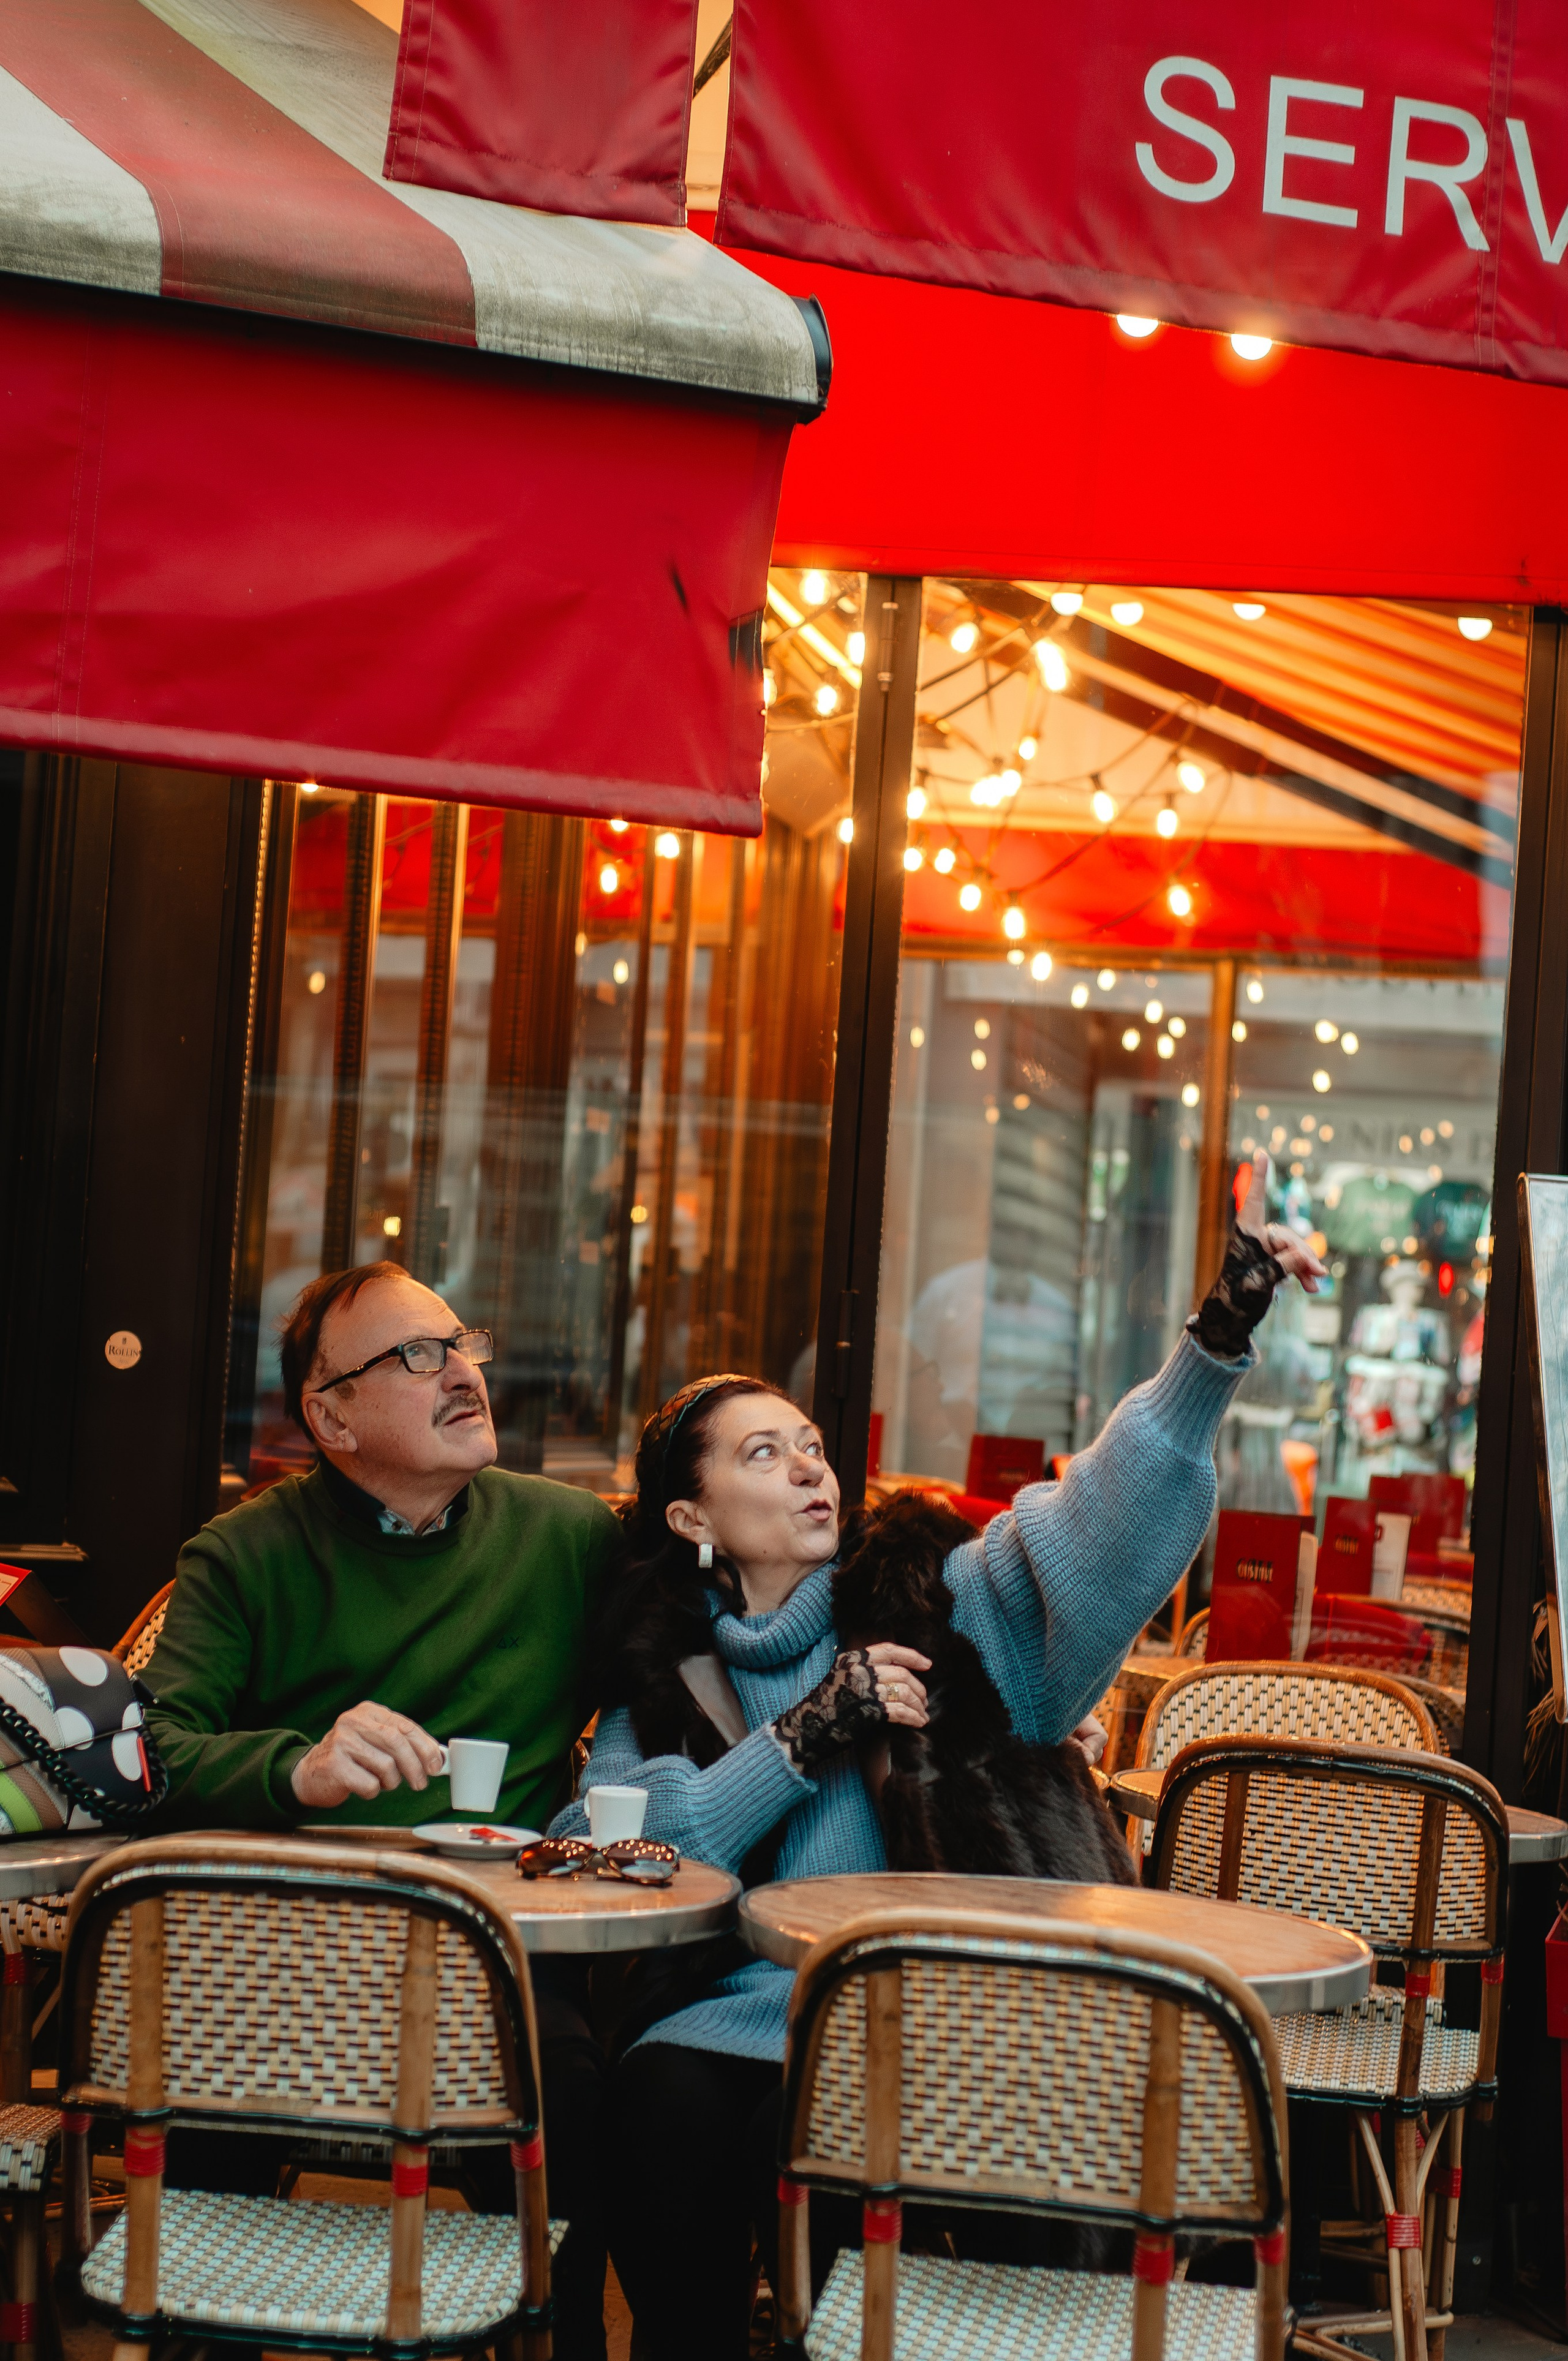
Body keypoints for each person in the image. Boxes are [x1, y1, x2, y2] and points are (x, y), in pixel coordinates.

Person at [557, 1153, 1324, 2361]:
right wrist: (814, 1726)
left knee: (797, 2148)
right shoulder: (661, 1676)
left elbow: (1090, 1532)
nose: (806, 1465)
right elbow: (616, 1851)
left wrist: (1209, 1345)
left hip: (935, 2021)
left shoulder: (937, 1605)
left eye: (808, 1443)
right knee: (654, 2109)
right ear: (689, 1516)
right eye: (760, 1453)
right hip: (730, 2013)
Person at [145, 1260, 622, 2361]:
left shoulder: (572, 1540)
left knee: (582, 2098)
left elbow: (724, 1651)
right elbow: (153, 1754)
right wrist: (297, 1770)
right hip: (288, 1955)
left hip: (499, 1954)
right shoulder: (244, 1554)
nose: (462, 1374)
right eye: (417, 1356)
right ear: (331, 1415)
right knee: (200, 2116)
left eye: (463, 1343)